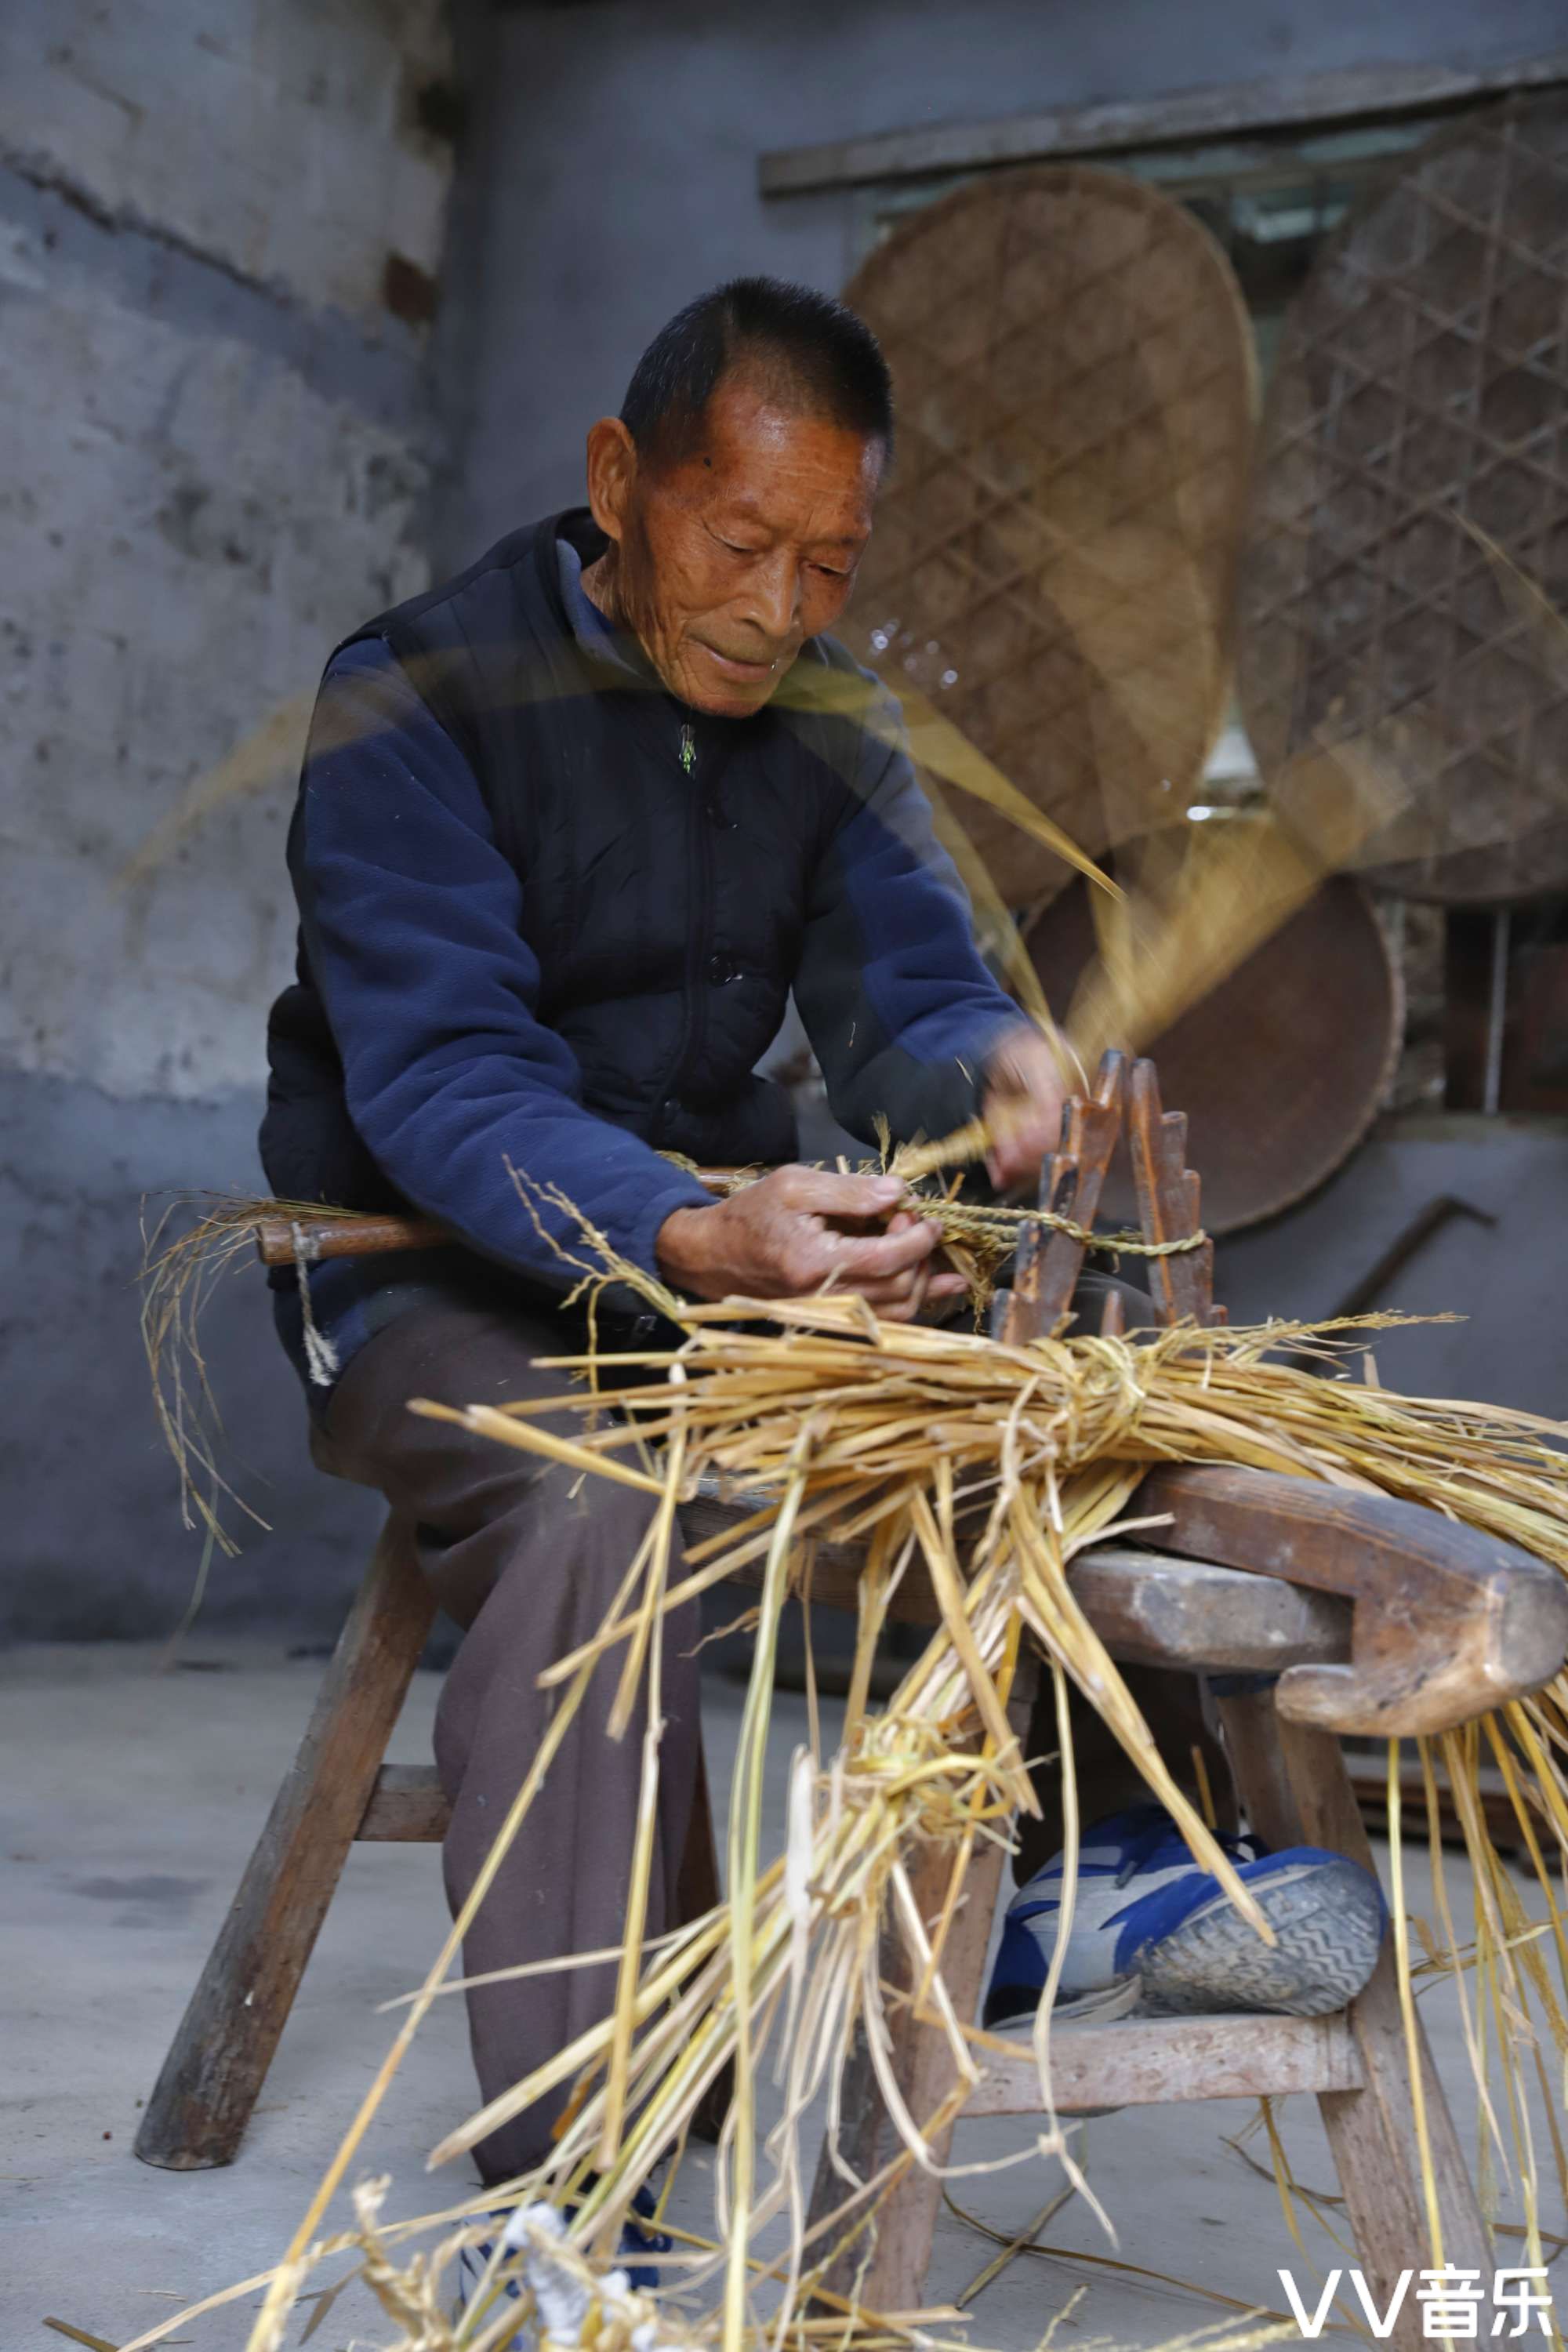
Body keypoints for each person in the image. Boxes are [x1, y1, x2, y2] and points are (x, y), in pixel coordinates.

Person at [260, 278, 1381, 2264]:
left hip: (720, 1263)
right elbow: (441, 1079)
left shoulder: (832, 720)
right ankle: (583, 2186)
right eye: (741, 542)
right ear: (620, 484)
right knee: (601, 1502)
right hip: (436, 1264)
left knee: (1064, 1394)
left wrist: (995, 1074)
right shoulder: (417, 700)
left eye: (828, 560)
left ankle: (1077, 1885)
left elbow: (910, 994)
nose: (781, 606)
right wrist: (695, 1227)